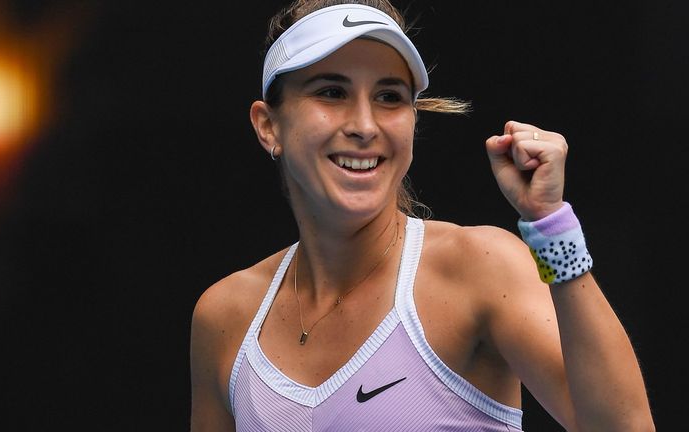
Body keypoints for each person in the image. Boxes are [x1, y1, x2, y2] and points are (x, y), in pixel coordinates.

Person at [190, 0, 655, 430]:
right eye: (332, 92)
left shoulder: (481, 267)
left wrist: (552, 226)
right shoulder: (225, 315)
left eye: (389, 97)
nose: (365, 125)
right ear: (268, 125)